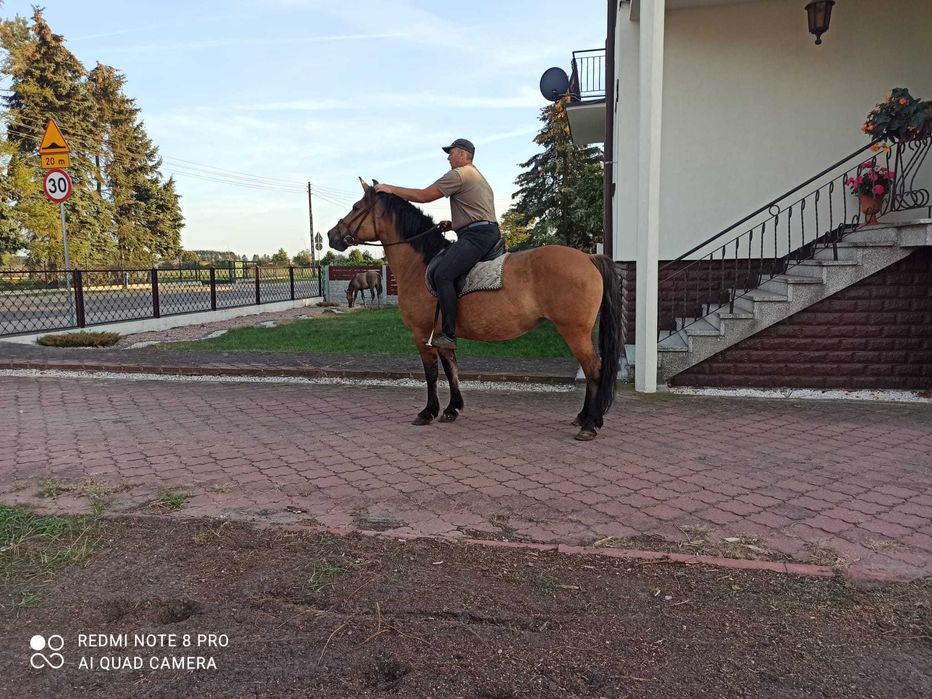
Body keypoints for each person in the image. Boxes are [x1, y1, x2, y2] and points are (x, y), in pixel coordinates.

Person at [375, 138, 500, 350]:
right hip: (485, 232)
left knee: (443, 274)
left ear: (462, 154)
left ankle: (448, 334)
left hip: (476, 237)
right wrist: (454, 225)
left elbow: (423, 196)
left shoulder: (459, 174)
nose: (448, 157)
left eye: (451, 153)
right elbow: (478, 213)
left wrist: (389, 188)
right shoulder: (478, 177)